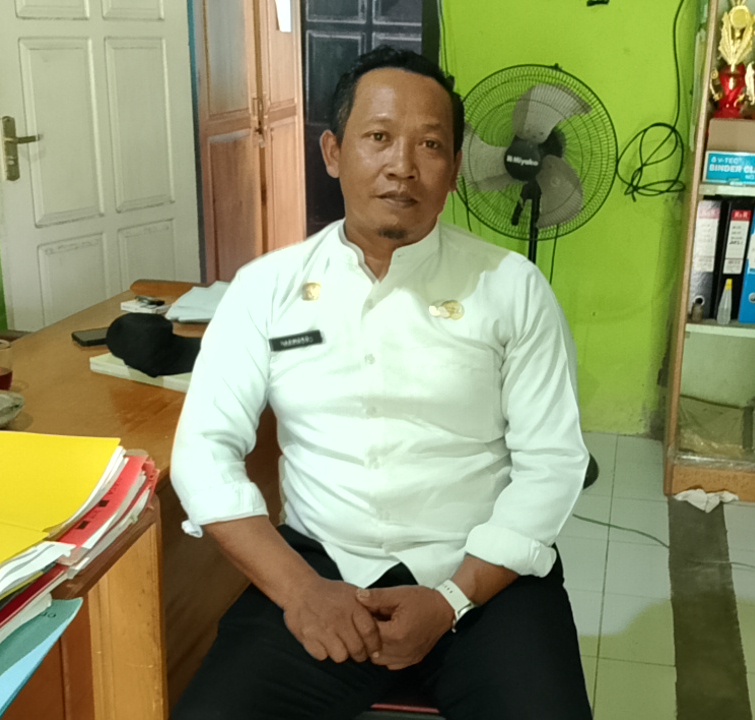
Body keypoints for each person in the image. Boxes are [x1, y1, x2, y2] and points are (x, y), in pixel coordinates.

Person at [169, 46, 592, 720]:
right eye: (378, 137)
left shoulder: (513, 288)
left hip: (482, 578)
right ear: (333, 152)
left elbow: (553, 462)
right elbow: (202, 452)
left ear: (456, 168)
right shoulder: (265, 288)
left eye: (430, 144)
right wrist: (300, 592)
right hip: (320, 568)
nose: (403, 165)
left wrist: (451, 598)